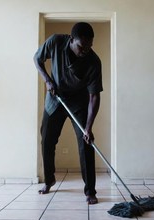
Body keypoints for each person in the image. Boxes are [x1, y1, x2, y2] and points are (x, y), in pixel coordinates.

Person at [33, 22, 103, 204]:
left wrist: (88, 127)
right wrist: (48, 81)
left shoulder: (93, 62)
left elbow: (94, 96)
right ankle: (49, 180)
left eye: (89, 47)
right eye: (81, 46)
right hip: (55, 99)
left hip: (78, 101)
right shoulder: (55, 42)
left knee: (86, 141)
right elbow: (37, 59)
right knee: (47, 139)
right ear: (71, 40)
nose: (85, 50)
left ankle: (90, 191)